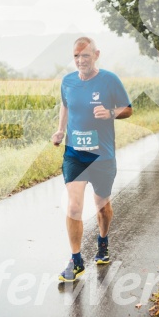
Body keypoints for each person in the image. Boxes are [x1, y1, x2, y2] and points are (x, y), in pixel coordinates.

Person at [51, 37, 132, 282]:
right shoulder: (67, 81)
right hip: (75, 153)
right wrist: (60, 130)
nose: (80, 60)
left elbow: (127, 108)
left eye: (85, 55)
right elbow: (66, 106)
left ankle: (103, 241)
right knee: (74, 205)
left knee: (102, 207)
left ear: (96, 55)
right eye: (76, 56)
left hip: (102, 156)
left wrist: (110, 113)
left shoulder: (109, 80)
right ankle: (76, 261)